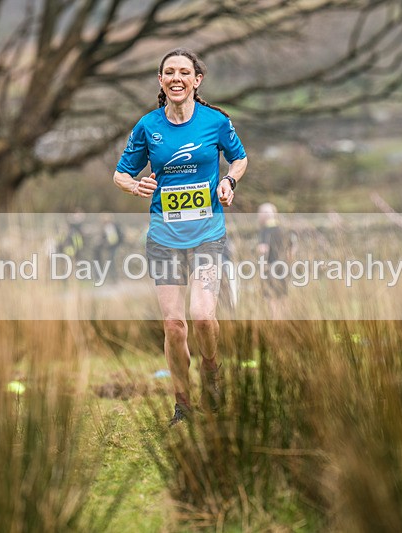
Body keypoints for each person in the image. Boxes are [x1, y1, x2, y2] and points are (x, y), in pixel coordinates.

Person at [112, 48, 248, 426]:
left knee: (203, 317)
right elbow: (121, 173)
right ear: (160, 80)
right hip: (164, 237)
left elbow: (240, 158)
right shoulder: (147, 126)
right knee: (174, 325)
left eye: (183, 72)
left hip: (207, 234)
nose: (176, 78)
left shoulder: (216, 121)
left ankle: (211, 369)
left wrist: (228, 180)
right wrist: (133, 187)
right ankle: (183, 405)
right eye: (169, 72)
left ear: (196, 80)